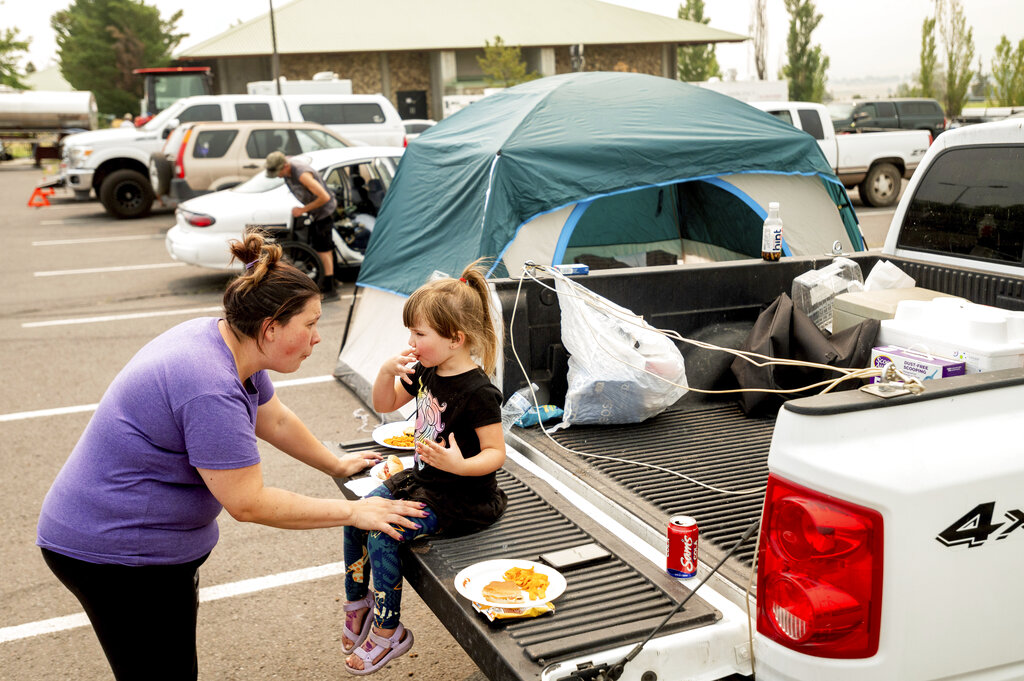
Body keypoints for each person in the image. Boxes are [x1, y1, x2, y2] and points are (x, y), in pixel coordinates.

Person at [36, 231, 427, 681]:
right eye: (311, 324)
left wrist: (336, 464)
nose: (318, 337)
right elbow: (248, 502)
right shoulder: (209, 385)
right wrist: (355, 512)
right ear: (270, 328)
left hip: (141, 548)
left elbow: (274, 419)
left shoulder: (229, 343)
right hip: (114, 553)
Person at [341, 259, 508, 675]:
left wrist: (459, 463)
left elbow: (495, 454)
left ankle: (388, 631)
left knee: (383, 535)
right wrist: (384, 371)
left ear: (456, 338)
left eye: (419, 333)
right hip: (423, 481)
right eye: (410, 331)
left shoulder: (479, 391)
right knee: (357, 516)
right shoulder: (426, 369)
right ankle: (357, 601)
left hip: (462, 498)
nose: (411, 340)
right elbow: (384, 404)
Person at [265, 150, 340, 300]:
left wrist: (303, 210)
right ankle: (335, 280)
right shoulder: (286, 166)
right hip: (316, 213)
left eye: (279, 172)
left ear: (285, 166)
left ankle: (331, 290)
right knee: (324, 247)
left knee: (323, 251)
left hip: (324, 213)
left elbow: (324, 197)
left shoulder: (302, 174)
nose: (278, 176)